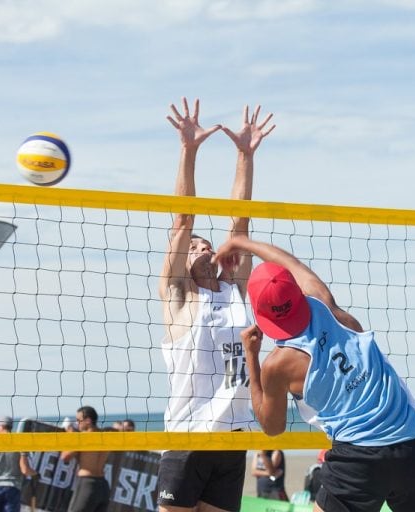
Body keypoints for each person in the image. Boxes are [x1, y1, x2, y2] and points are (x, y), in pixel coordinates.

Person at [212, 237, 415, 512]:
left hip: (359, 458)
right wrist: (241, 242)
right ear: (296, 292)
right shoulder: (325, 304)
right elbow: (291, 263)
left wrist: (251, 355)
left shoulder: (279, 364)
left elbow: (272, 427)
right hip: (414, 446)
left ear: (261, 313)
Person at [156, 98, 275, 512]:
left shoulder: (235, 292)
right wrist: (189, 151)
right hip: (189, 435)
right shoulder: (179, 296)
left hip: (232, 438)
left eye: (207, 244)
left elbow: (239, 224)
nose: (201, 246)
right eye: (193, 247)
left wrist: (245, 156)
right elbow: (181, 221)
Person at [0, 416, 36, 512]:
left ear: (1, 427)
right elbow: (25, 469)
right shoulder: (19, 442)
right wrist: (35, 474)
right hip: (13, 488)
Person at [60, 405, 110, 512]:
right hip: (103, 486)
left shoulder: (83, 437)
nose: (77, 424)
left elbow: (65, 457)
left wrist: (71, 436)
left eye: (79, 420)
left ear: (87, 420)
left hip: (88, 484)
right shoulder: (105, 436)